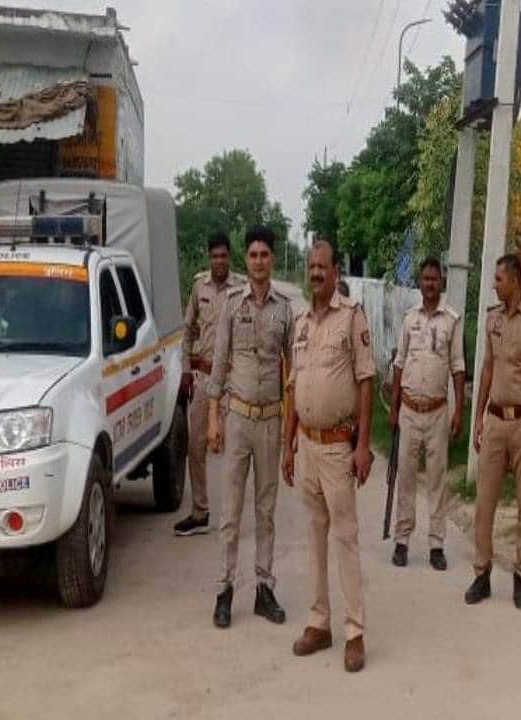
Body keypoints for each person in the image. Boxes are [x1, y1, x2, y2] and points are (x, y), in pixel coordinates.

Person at [282, 238, 375, 673]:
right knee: (315, 537)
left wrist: (362, 446)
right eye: (311, 266)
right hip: (307, 446)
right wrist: (288, 444)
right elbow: (292, 387)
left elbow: (366, 380)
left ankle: (355, 631)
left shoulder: (351, 318)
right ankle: (319, 623)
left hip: (339, 447)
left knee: (346, 538)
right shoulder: (300, 322)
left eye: (322, 266)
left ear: (336, 271)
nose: (316, 272)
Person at [205, 226, 292, 629]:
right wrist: (212, 419)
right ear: (246, 259)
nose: (259, 260)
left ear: (272, 259)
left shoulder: (284, 310)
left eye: (264, 254)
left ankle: (264, 589)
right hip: (238, 419)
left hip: (271, 420)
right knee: (231, 511)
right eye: (253, 254)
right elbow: (219, 364)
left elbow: (292, 370)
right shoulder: (231, 305)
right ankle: (225, 590)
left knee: (266, 511)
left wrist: (293, 429)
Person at [466, 254, 521, 611]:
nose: (494, 284)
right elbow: (487, 368)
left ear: (515, 281)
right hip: (496, 421)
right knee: (484, 503)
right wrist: (477, 419)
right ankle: (482, 574)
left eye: (499, 279)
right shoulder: (492, 319)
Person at [389, 257, 465, 570]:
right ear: (419, 283)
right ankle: (402, 540)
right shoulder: (409, 319)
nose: (430, 284)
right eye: (425, 279)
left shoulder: (452, 320)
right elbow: (398, 363)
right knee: (405, 477)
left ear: (442, 283)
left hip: (437, 412)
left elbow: (458, 366)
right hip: (408, 409)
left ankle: (436, 545)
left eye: (435, 279)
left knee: (436, 479)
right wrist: (393, 409)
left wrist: (459, 409)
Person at [174, 233, 245, 537]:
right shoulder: (198, 286)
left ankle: (232, 514)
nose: (218, 261)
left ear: (229, 257)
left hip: (231, 381)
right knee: (195, 446)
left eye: (223, 256)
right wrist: (185, 370)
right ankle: (200, 511)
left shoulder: (240, 290)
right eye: (214, 256)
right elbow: (187, 330)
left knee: (234, 449)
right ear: (208, 258)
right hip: (203, 378)